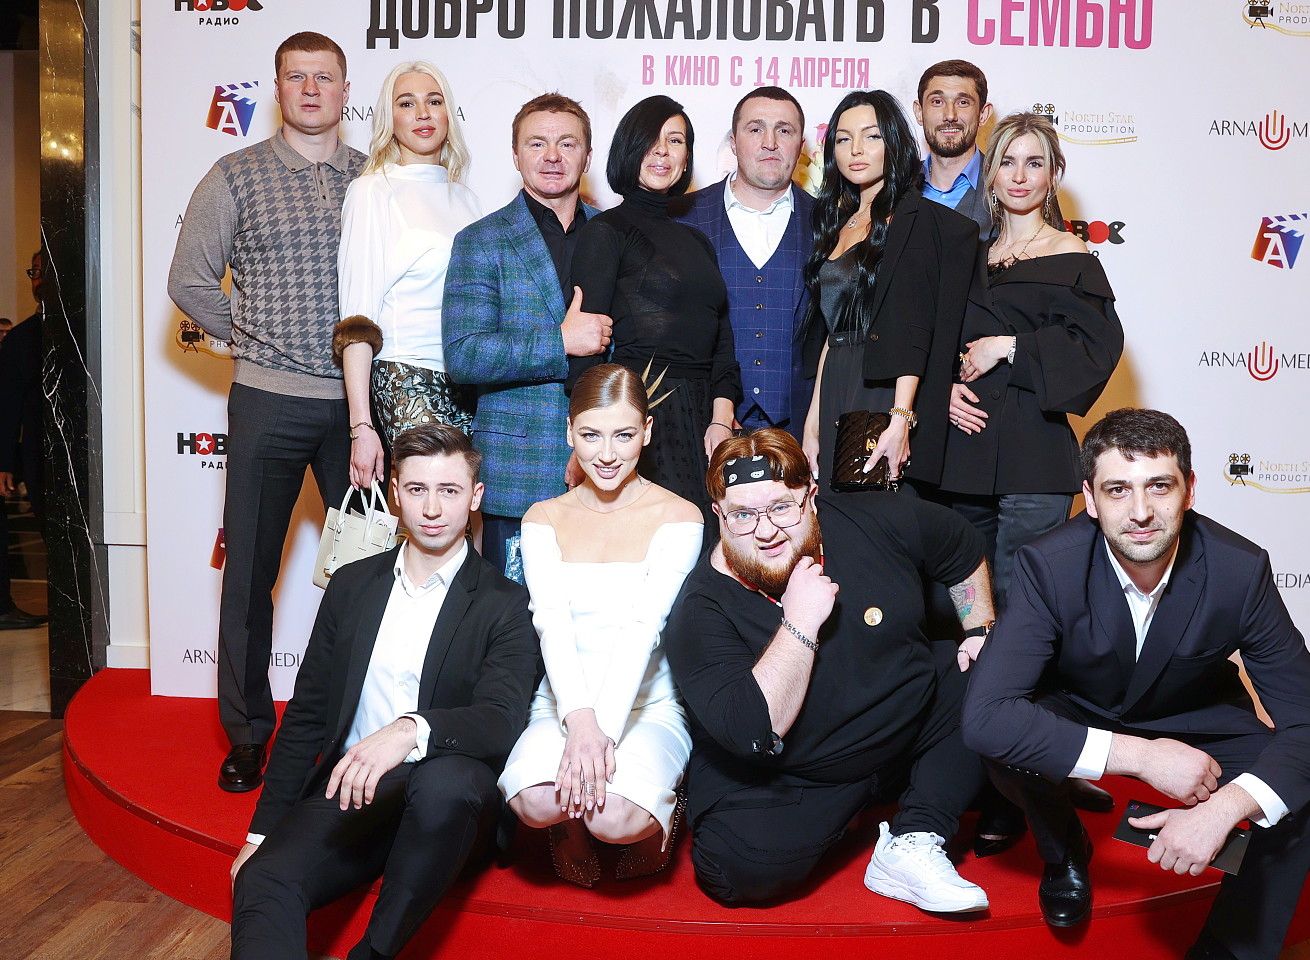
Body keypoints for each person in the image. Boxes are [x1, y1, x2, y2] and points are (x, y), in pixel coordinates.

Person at [963, 409, 1310, 959]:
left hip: (1194, 715)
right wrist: (1141, 756)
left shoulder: (1240, 570)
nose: (1141, 512)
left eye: (1159, 487)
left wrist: (1226, 807)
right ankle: (1064, 845)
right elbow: (985, 717)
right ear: (1090, 500)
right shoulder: (1049, 565)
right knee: (1012, 745)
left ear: (1189, 489)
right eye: (1118, 490)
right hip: (1080, 705)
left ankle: (1226, 951)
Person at [228, 423, 538, 960]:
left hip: (448, 803)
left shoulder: (505, 603)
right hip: (356, 788)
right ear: (395, 493)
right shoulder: (352, 584)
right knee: (263, 880)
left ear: (475, 497)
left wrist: (409, 731)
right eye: (417, 489)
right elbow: (308, 712)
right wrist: (261, 834)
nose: (432, 508)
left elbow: (501, 717)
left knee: (447, 781)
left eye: (449, 490)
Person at [665, 428, 994, 912]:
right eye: (743, 515)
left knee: (995, 673)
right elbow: (756, 731)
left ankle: (916, 835)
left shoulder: (877, 518)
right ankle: (864, 807)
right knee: (737, 871)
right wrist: (799, 622)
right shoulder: (699, 610)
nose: (766, 531)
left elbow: (958, 545)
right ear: (719, 515)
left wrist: (980, 628)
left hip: (907, 726)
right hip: (805, 774)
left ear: (812, 497)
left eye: (782, 507)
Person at [168, 32, 367, 793]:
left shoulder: (373, 177)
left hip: (358, 408)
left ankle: (354, 727)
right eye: (296, 76)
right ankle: (249, 734)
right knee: (249, 576)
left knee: (368, 575)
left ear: (345, 89)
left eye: (325, 77)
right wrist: (250, 333)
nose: (311, 89)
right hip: (267, 402)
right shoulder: (235, 175)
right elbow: (189, 280)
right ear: (277, 88)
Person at [501, 363, 700, 886]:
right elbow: (551, 625)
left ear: (647, 432)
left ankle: (666, 808)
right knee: (534, 803)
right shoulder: (543, 517)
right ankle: (568, 824)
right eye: (591, 435)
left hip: (647, 704)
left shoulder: (680, 516)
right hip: (562, 701)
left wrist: (600, 733)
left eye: (623, 435)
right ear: (569, 432)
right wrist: (579, 722)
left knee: (612, 817)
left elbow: (644, 625)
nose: (607, 454)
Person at [941, 111, 1124, 609]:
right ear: (990, 174)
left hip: (1033, 455)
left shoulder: (1071, 254)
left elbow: (1095, 348)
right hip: (961, 454)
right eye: (1007, 162)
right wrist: (943, 390)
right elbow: (932, 340)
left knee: (1022, 599)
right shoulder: (967, 255)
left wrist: (1008, 346)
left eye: (1034, 163)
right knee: (963, 600)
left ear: (1052, 175)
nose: (1019, 176)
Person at [443, 93, 610, 570]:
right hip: (519, 467)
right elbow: (464, 354)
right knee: (513, 614)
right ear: (515, 155)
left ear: (587, 156)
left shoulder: (615, 235)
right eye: (537, 144)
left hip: (609, 463)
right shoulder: (480, 241)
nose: (552, 156)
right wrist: (561, 342)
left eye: (567, 144)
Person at [798, 89, 979, 488]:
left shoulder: (915, 220)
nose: (856, 149)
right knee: (832, 506)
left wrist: (901, 418)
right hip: (837, 378)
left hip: (883, 383)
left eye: (872, 136)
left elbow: (916, 329)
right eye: (843, 139)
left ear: (894, 142)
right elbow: (832, 333)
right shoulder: (836, 223)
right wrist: (812, 425)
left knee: (876, 500)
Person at [570, 94, 740, 511]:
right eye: (651, 139)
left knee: (711, 539)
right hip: (642, 413)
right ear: (629, 148)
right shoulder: (606, 232)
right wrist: (592, 438)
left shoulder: (698, 241)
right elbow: (586, 350)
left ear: (686, 159)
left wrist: (721, 420)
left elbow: (722, 344)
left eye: (675, 140)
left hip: (707, 421)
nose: (663, 151)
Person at [334, 60, 482, 489]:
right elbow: (357, 320)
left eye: (433, 101)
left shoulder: (468, 200)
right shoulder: (372, 190)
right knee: (432, 499)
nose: (422, 113)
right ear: (389, 118)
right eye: (406, 103)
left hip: (469, 380)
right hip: (406, 375)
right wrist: (361, 426)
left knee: (461, 509)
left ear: (448, 114)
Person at [674, 87, 815, 433]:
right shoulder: (682, 218)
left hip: (803, 429)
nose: (770, 143)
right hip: (701, 426)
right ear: (734, 142)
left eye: (784, 130)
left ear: (800, 145)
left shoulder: (831, 222)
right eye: (755, 129)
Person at [0, 250, 48, 628]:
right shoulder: (20, 339)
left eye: (43, 272)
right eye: (33, 272)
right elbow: (8, 407)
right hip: (38, 456)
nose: (37, 280)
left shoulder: (94, 328)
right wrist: (4, 464)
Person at [913, 59, 995, 235]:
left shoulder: (1010, 184)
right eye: (937, 102)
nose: (950, 115)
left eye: (963, 102)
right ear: (919, 112)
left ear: (983, 114)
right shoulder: (895, 186)